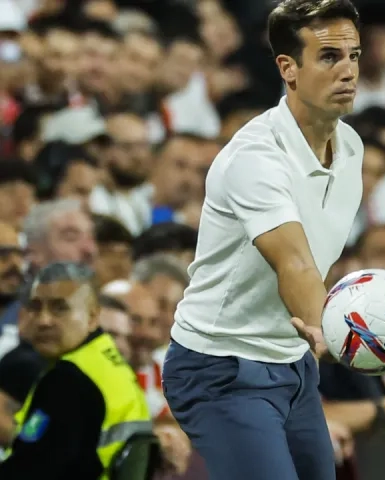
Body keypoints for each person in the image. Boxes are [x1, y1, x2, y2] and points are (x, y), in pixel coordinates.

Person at [161, 1, 364, 479]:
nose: (349, 70)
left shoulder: (351, 147)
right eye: (330, 57)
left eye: (354, 56)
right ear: (288, 69)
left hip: (292, 365)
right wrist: (329, 327)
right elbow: (292, 261)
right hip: (219, 365)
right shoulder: (255, 157)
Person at [0, 262, 151, 478]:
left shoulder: (68, 381)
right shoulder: (112, 365)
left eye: (59, 308)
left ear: (92, 317)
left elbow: (29, 470)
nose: (43, 320)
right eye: (35, 307)